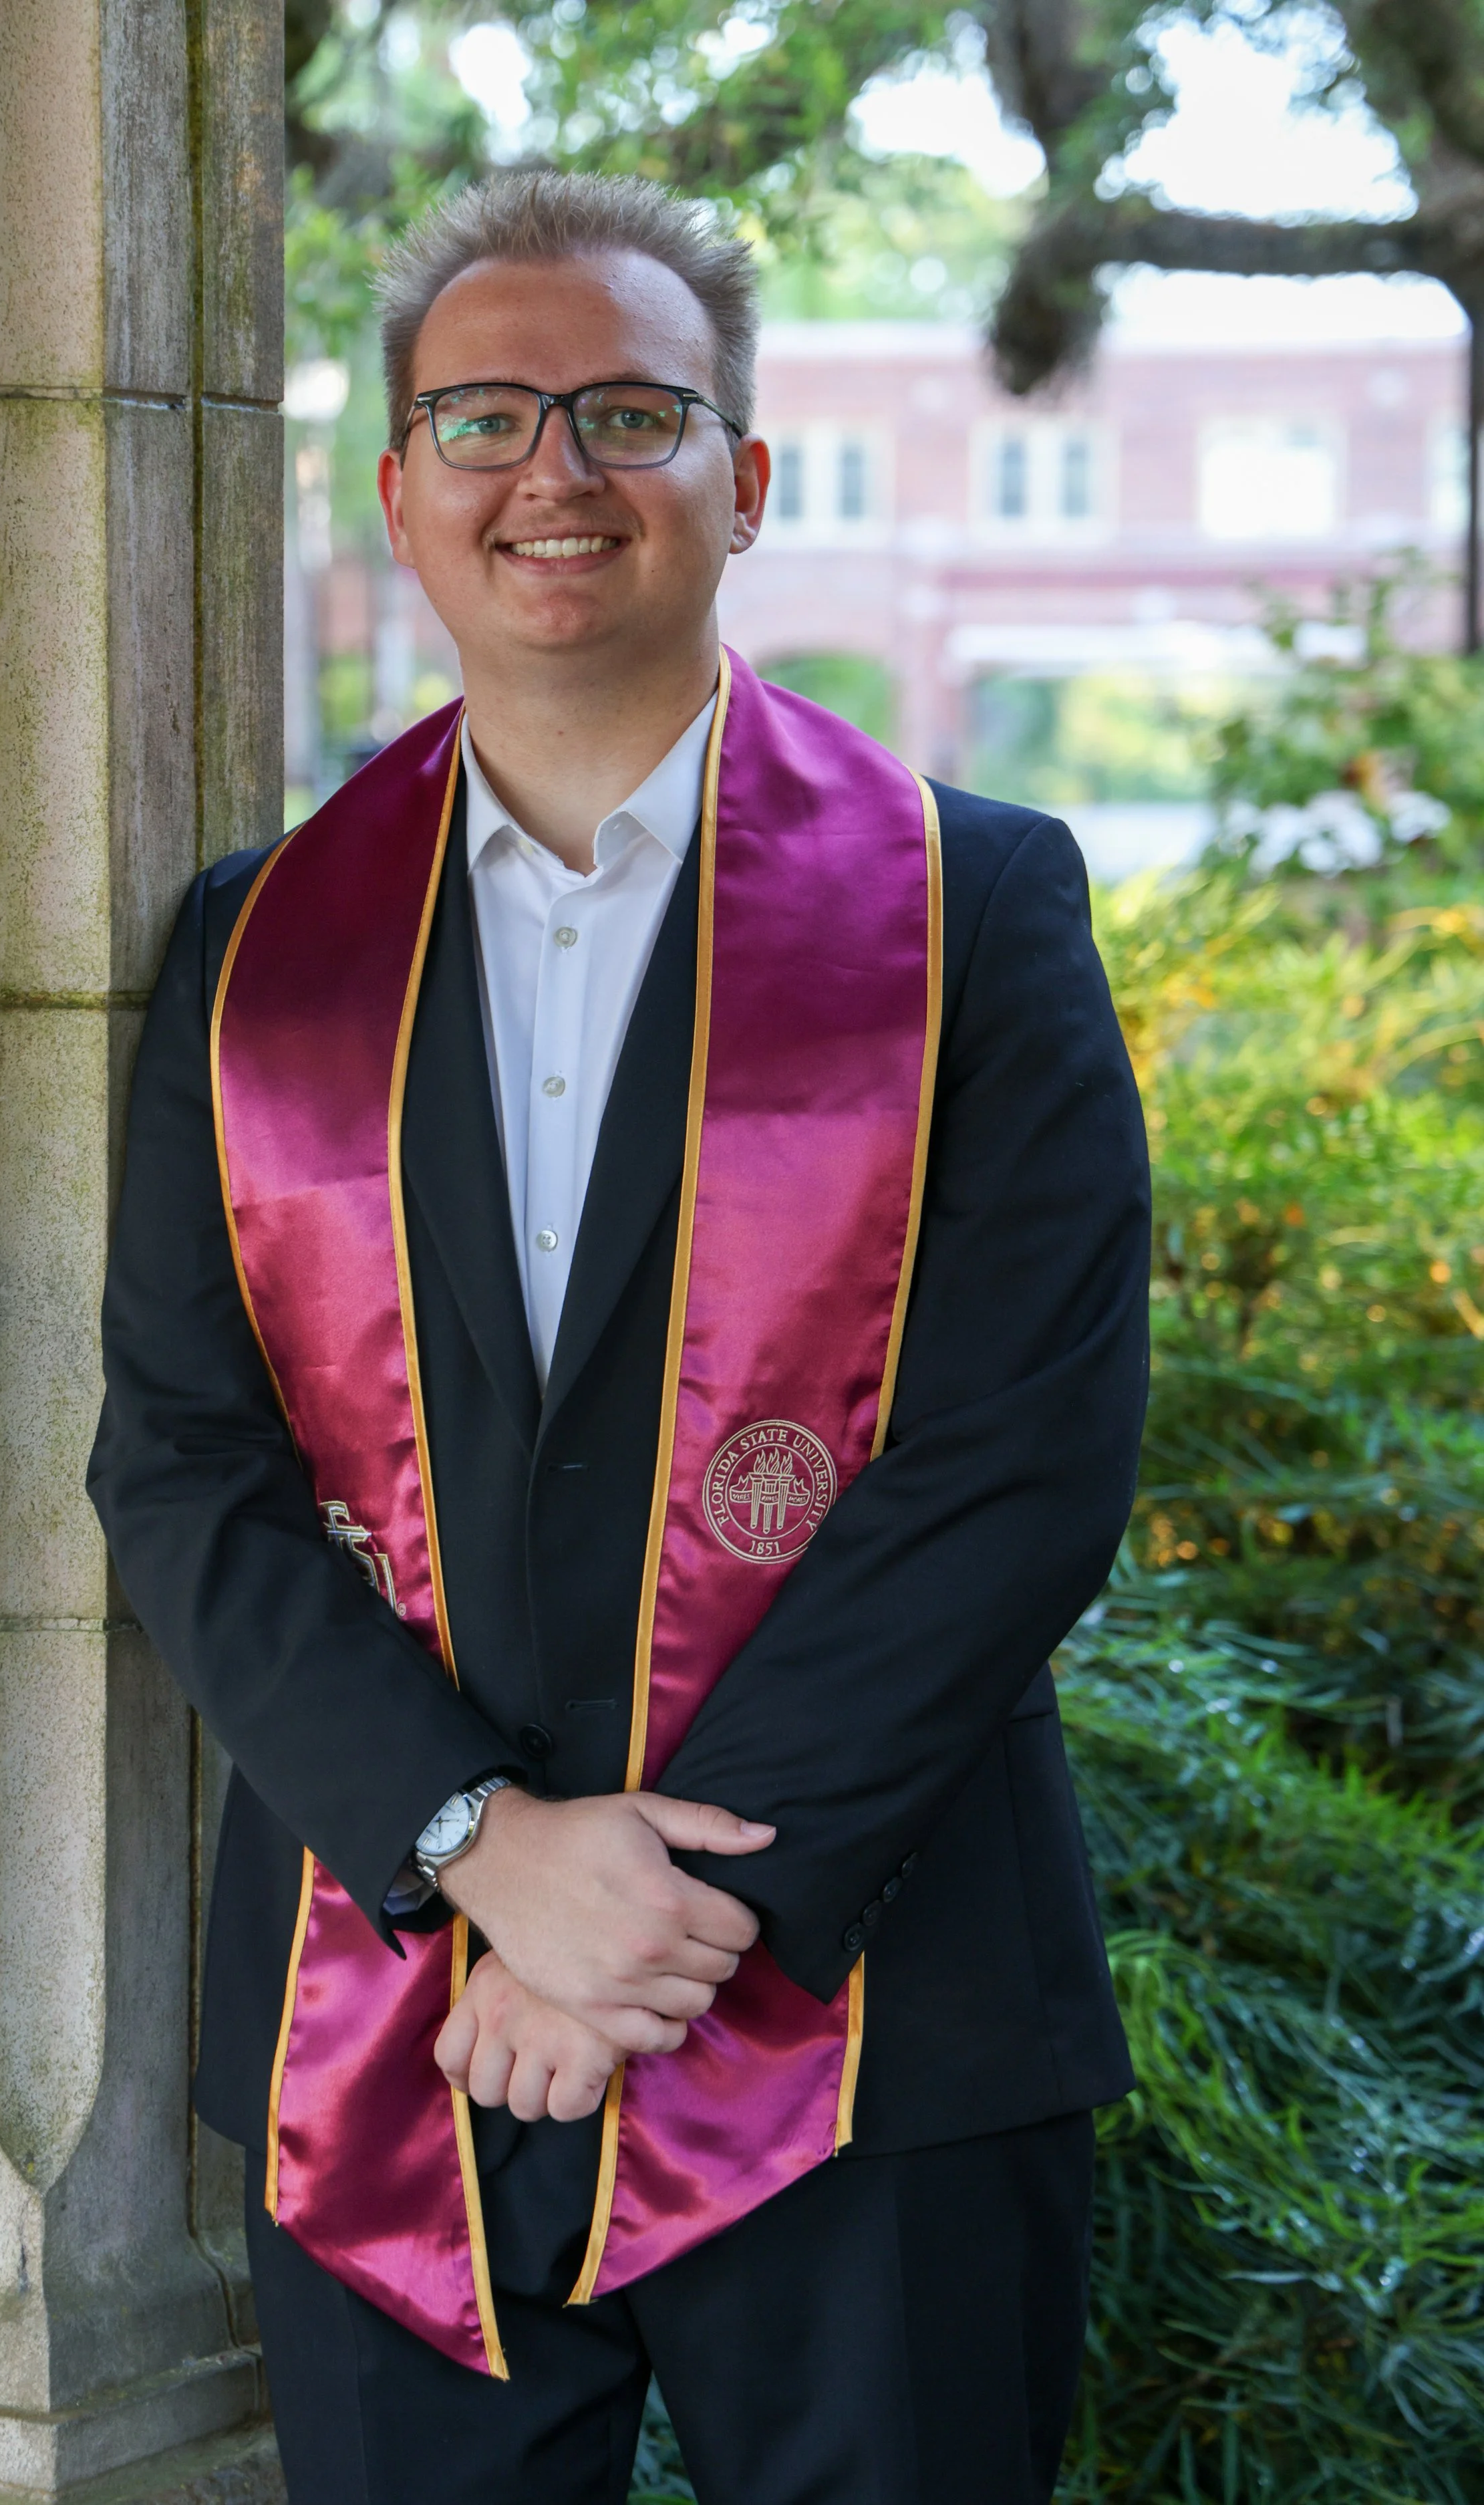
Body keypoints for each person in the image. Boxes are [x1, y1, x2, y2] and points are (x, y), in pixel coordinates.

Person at [89, 170, 1149, 2505]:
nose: (549, 471)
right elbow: (184, 1461)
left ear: (742, 480)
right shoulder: (255, 950)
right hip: (385, 2022)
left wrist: (645, 1932)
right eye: (480, 415)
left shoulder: (974, 908)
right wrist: (471, 1843)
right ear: (395, 486)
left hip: (872, 2021)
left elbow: (1020, 1455)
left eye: (629, 412)